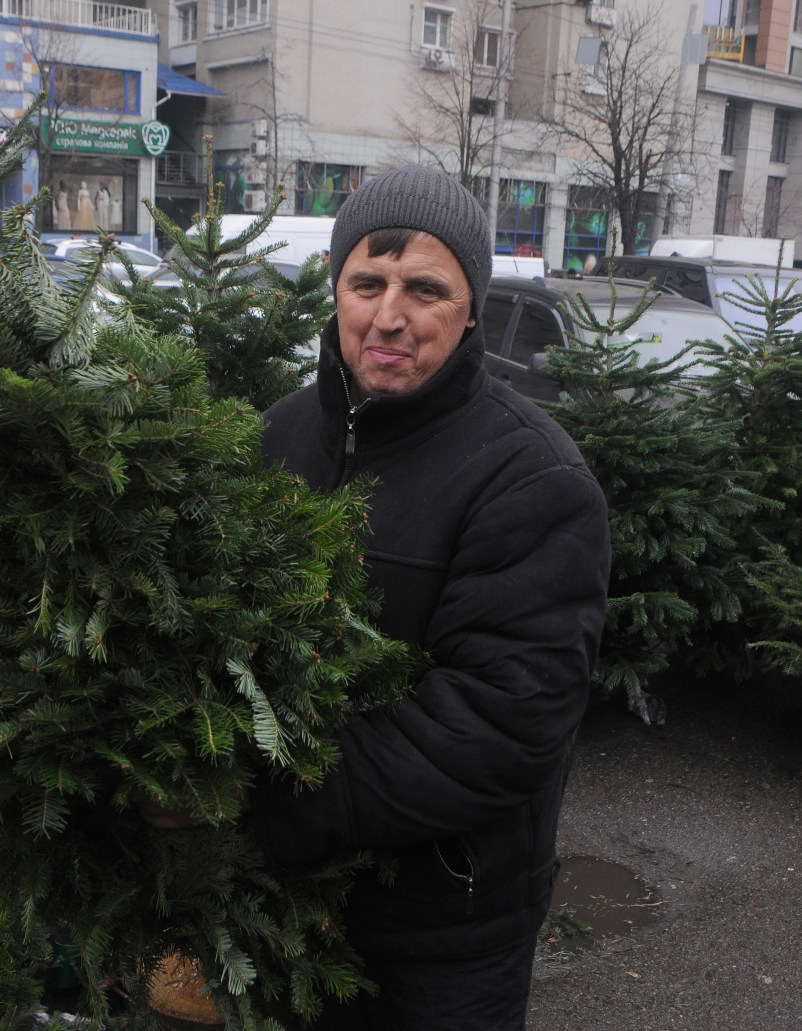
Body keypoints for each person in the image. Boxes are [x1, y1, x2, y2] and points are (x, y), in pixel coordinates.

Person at [247, 164, 611, 1029]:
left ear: (473, 307)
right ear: (336, 290)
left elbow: (496, 727)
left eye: (425, 289)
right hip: (282, 909)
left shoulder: (532, 479)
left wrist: (255, 800)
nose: (389, 316)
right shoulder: (274, 436)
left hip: (444, 929)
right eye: (366, 282)